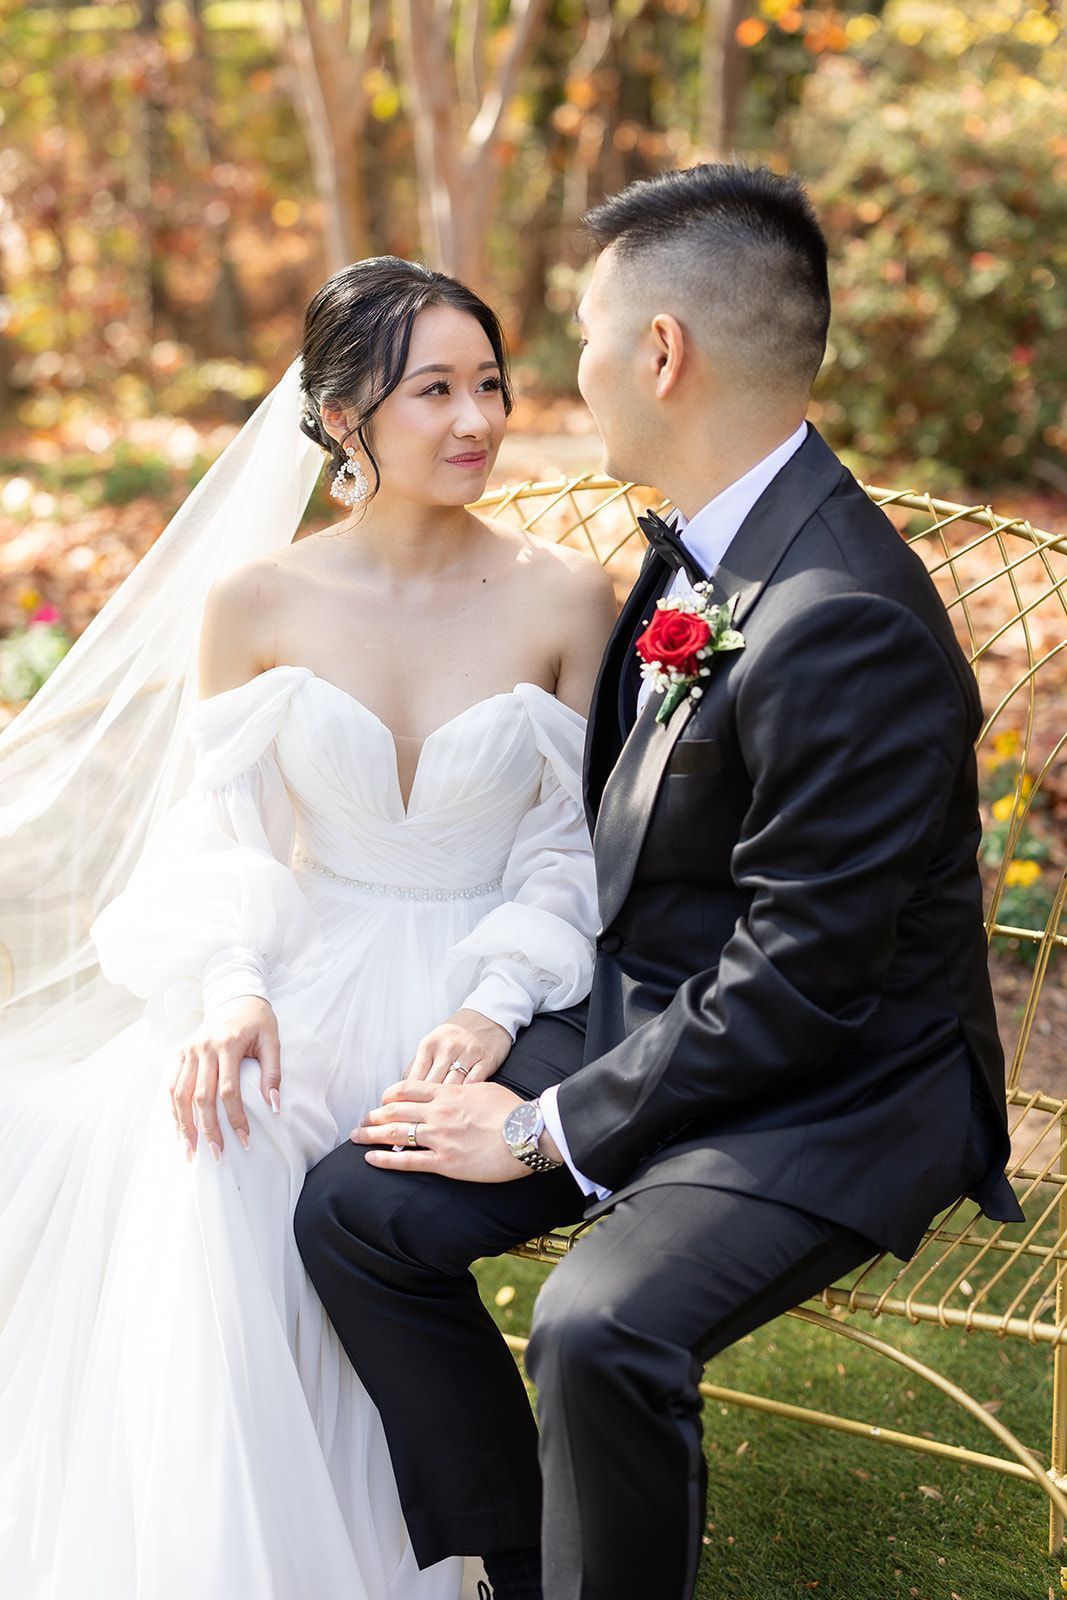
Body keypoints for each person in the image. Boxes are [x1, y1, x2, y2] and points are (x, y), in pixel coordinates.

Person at [294, 164, 1024, 1600]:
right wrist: (512, 1012)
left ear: (663, 352)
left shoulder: (842, 616)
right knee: (358, 1211)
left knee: (600, 1321)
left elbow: (806, 983)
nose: (553, 379)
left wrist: (541, 1126)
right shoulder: (707, 547)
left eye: (575, 336)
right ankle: (520, 1560)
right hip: (678, 1008)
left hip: (848, 1081)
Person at [0, 257, 616, 1600]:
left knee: (356, 1182)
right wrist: (231, 987)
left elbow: (569, 854)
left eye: (491, 385)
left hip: (483, 994)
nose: (477, 422)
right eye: (433, 391)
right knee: (210, 1146)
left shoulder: (566, 597)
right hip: (301, 962)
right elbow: (226, 829)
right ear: (342, 418)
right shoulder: (259, 602)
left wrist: (490, 1009)